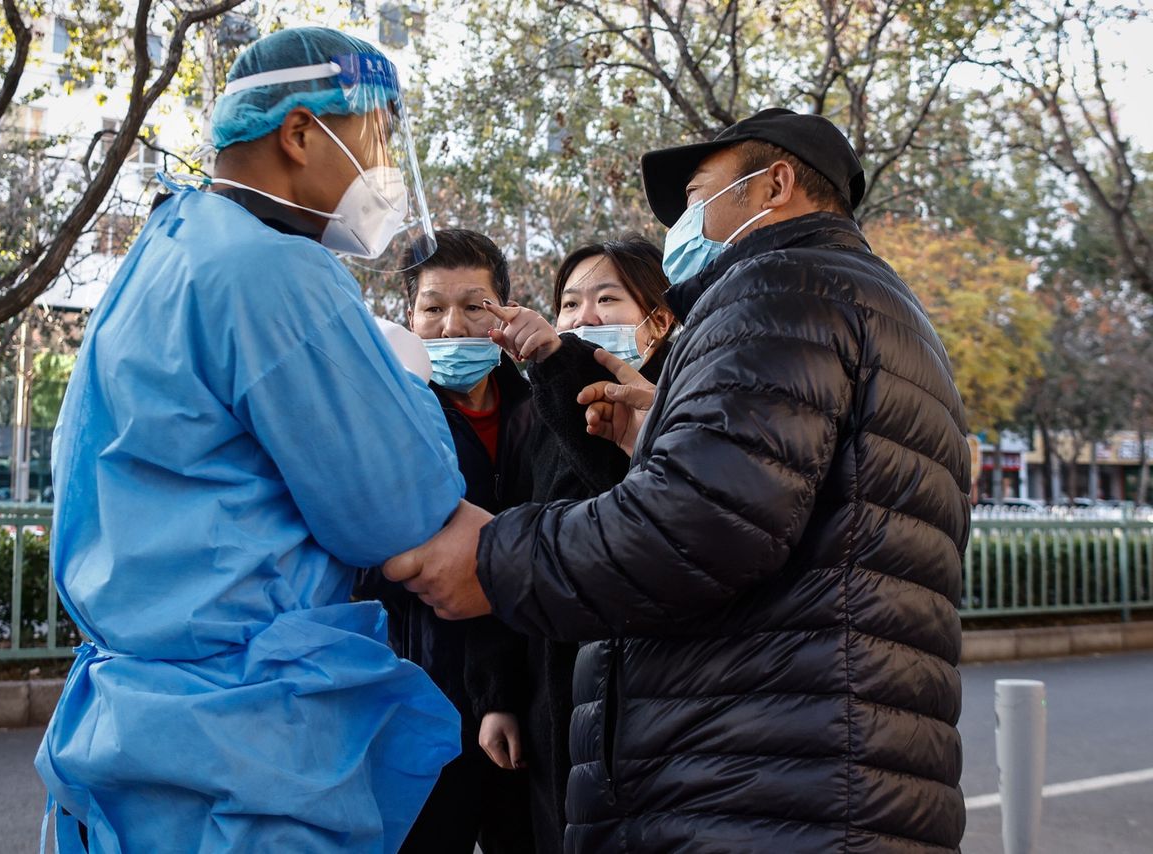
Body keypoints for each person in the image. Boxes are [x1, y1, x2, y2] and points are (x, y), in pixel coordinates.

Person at [386, 108, 971, 852]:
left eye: (698, 195)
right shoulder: (873, 304)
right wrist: (652, 438)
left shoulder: (779, 291)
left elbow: (695, 525)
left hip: (762, 777)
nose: (684, 225)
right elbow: (774, 504)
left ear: (775, 185)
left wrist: (493, 557)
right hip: (810, 764)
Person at [35, 28, 475, 853]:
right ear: (301, 132)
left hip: (134, 732)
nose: (385, 173)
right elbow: (393, 509)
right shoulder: (274, 270)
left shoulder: (164, 249)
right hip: (242, 740)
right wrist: (408, 392)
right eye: (377, 139)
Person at [469, 236, 675, 853]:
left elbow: (634, 514)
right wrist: (499, 694)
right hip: (552, 692)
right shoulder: (541, 415)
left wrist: (557, 362)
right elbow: (512, 543)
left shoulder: (682, 406)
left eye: (606, 299)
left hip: (646, 699)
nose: (583, 318)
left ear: (657, 321)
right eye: (568, 304)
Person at [354, 228, 534, 854]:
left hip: (536, 704)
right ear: (410, 316)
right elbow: (361, 558)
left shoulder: (545, 412)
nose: (452, 326)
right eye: (433, 308)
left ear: (504, 313)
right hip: (422, 701)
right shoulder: (382, 420)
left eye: (474, 305)